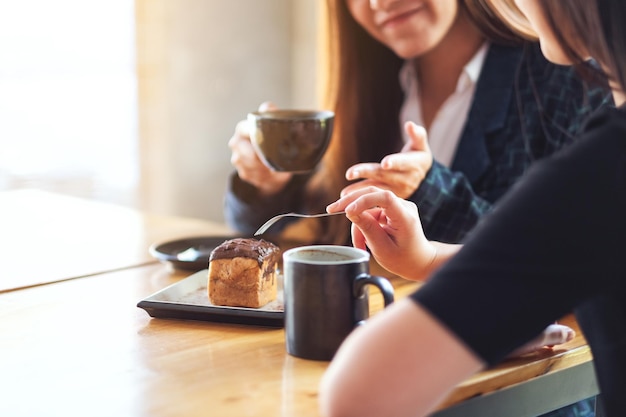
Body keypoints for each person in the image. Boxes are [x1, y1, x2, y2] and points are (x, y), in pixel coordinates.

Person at [319, 0, 626, 415]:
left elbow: (356, 394)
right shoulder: (378, 86)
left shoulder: (598, 163)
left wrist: (433, 194)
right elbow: (572, 254)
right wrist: (429, 259)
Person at [225, 0, 608, 246]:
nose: (380, 3)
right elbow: (306, 229)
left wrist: (428, 193)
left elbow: (560, 256)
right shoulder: (375, 87)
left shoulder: (564, 78)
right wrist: (270, 185)